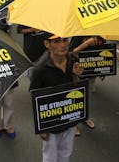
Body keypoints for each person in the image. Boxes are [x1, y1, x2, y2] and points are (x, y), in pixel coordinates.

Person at [30, 33, 83, 162]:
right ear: (47, 44)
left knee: (66, 151)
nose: (63, 45)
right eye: (57, 41)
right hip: (51, 121)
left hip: (70, 115)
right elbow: (35, 98)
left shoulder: (72, 60)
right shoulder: (39, 69)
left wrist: (77, 75)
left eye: (65, 40)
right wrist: (41, 127)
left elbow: (77, 88)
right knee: (50, 155)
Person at [68, 36, 102, 136]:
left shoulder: (100, 36)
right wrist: (86, 44)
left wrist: (103, 70)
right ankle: (72, 124)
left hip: (91, 73)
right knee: (75, 98)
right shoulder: (78, 35)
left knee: (86, 97)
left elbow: (103, 52)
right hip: (78, 73)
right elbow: (71, 53)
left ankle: (84, 117)